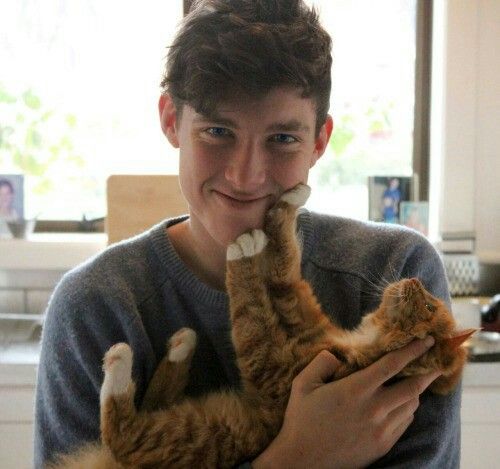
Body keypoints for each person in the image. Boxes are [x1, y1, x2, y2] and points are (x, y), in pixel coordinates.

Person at [34, 1, 460, 468]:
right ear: (171, 121)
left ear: (319, 141)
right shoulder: (98, 307)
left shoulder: (393, 272)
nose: (245, 176)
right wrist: (297, 457)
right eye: (218, 131)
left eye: (282, 139)